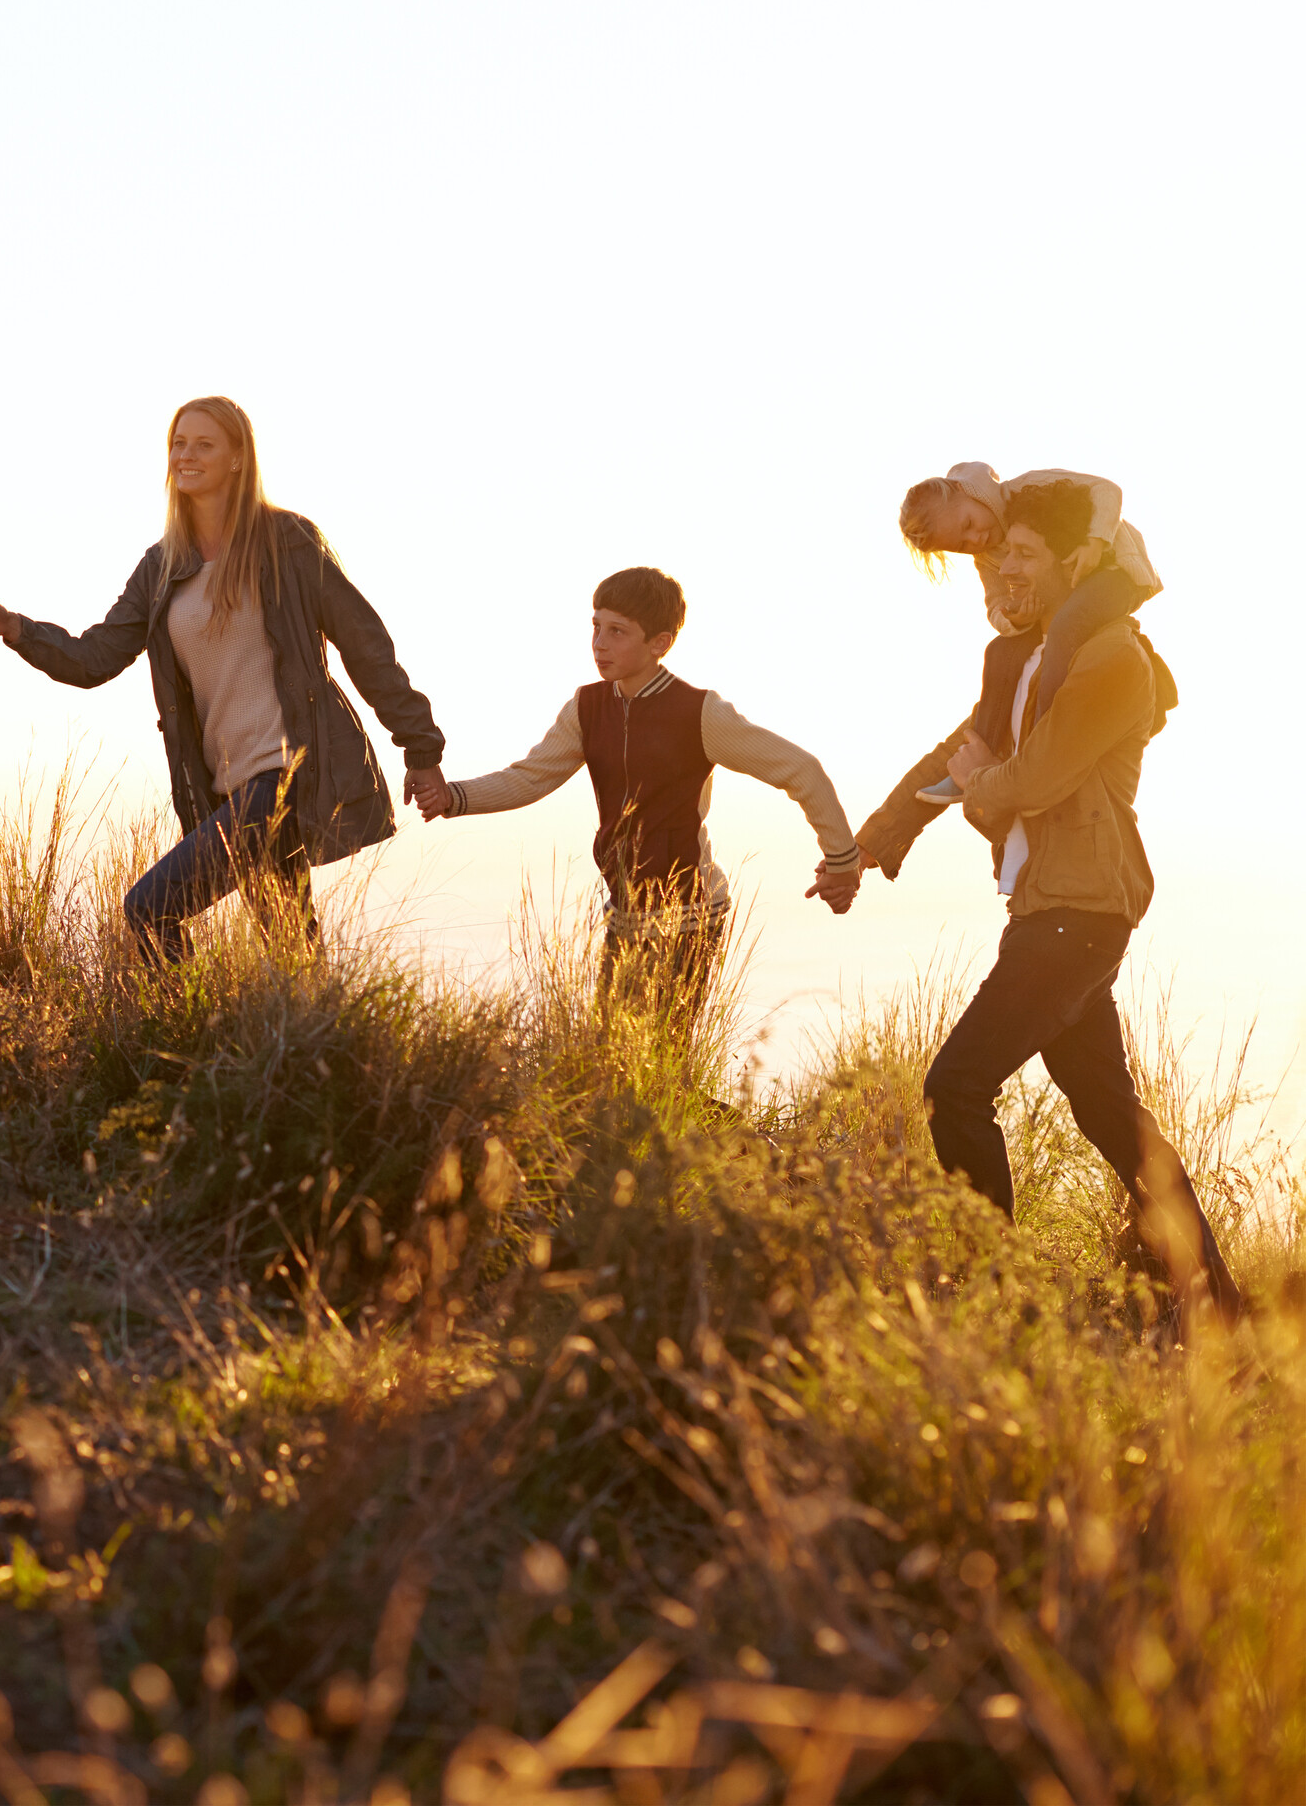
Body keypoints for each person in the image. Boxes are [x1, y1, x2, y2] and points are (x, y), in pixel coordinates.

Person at [856, 479, 1239, 1320]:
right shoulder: (1027, 662)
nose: (1005, 570)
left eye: (1023, 554)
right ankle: (1220, 1309)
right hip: (1045, 908)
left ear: (1073, 562)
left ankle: (989, 1298)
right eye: (1000, 556)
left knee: (953, 1086)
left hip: (1080, 914)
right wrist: (872, 843)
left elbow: (1025, 781)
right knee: (1111, 1118)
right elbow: (956, 755)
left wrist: (977, 789)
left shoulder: (1111, 656)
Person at [0, 397, 446, 962]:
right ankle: (305, 1047)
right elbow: (95, 659)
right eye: (178, 443)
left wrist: (420, 746)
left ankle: (190, 1039)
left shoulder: (288, 543)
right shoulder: (162, 567)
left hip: (287, 774)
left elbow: (368, 649)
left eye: (203, 444)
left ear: (238, 458)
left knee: (149, 907)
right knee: (292, 956)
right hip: (228, 788)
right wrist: (15, 627)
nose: (186, 455)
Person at [418, 567, 860, 1024]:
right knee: (615, 1062)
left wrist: (843, 864)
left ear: (660, 643)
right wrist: (451, 797)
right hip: (624, 911)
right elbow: (531, 777)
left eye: (617, 632)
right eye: (595, 627)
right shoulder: (586, 708)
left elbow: (802, 770)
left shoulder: (700, 713)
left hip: (689, 913)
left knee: (658, 1058)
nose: (599, 643)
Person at [897, 462, 1159, 806]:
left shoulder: (1029, 487)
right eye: (962, 544)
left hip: (1117, 571)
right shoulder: (987, 554)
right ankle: (981, 756)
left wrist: (1096, 540)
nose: (975, 539)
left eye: (969, 524)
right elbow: (995, 605)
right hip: (1075, 591)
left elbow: (1107, 490)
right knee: (1001, 651)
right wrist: (1015, 617)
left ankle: (1038, 748)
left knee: (1066, 626)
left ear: (966, 491)